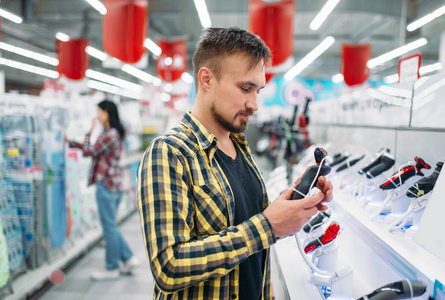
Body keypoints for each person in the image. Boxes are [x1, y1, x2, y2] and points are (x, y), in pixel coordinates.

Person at [137, 27, 333, 299]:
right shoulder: (169, 153)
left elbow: (247, 230)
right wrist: (267, 226)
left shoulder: (239, 146)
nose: (254, 104)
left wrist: (290, 211)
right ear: (206, 79)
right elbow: (169, 267)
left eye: (258, 90)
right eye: (245, 88)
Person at [65, 99, 139, 281]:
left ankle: (112, 267)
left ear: (106, 113)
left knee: (109, 228)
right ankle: (128, 258)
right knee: (111, 226)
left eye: (99, 112)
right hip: (114, 185)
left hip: (106, 185)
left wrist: (87, 134)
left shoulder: (110, 134)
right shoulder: (113, 132)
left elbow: (90, 151)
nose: (97, 115)